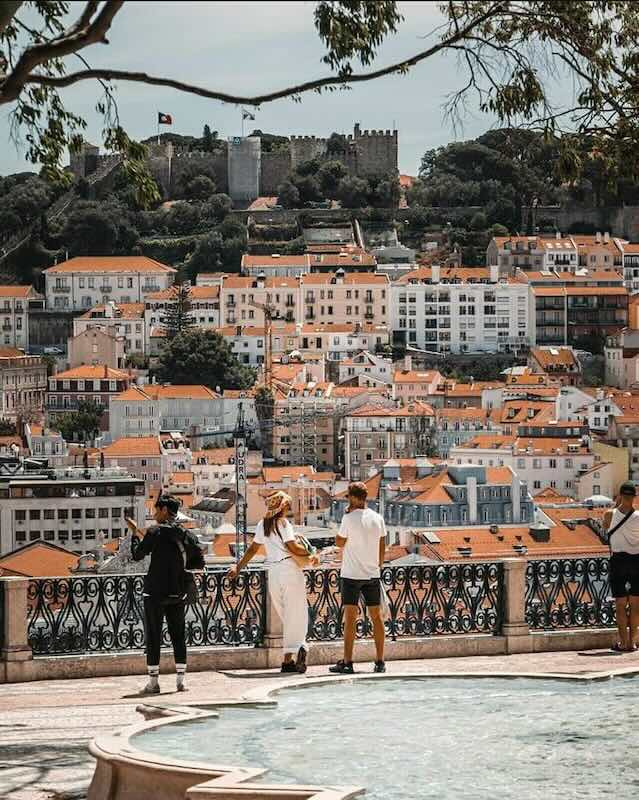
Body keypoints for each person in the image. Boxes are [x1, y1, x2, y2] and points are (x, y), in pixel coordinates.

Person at [227, 491, 317, 673]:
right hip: (290, 570)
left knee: (285, 615)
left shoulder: (262, 525)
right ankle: (300, 647)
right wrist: (311, 553)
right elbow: (292, 546)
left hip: (273, 572)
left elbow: (253, 549)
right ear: (281, 506)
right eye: (287, 505)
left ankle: (288, 660)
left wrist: (238, 567)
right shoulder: (283, 523)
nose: (289, 508)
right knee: (297, 614)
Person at [128, 494, 205, 694]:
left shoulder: (154, 532)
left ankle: (153, 683)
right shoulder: (186, 534)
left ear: (163, 510)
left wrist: (135, 535)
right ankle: (180, 681)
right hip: (178, 592)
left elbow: (137, 555)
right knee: (178, 635)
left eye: (156, 509)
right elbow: (198, 560)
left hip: (154, 592)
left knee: (154, 636)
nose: (154, 514)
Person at [329, 481, 387, 675]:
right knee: (376, 618)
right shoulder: (378, 518)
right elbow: (381, 547)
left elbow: (339, 542)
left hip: (352, 575)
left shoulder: (348, 518)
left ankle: (348, 662)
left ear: (353, 497)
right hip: (372, 574)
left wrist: (347, 515)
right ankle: (380, 661)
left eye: (348, 497)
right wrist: (377, 567)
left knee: (350, 619)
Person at [603, 481, 639, 653]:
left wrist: (617, 504)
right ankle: (632, 643)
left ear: (619, 495)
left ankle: (623, 643)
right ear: (634, 497)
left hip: (618, 561)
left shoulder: (610, 514)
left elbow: (605, 527)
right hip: (636, 561)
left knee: (620, 603)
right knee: (635, 603)